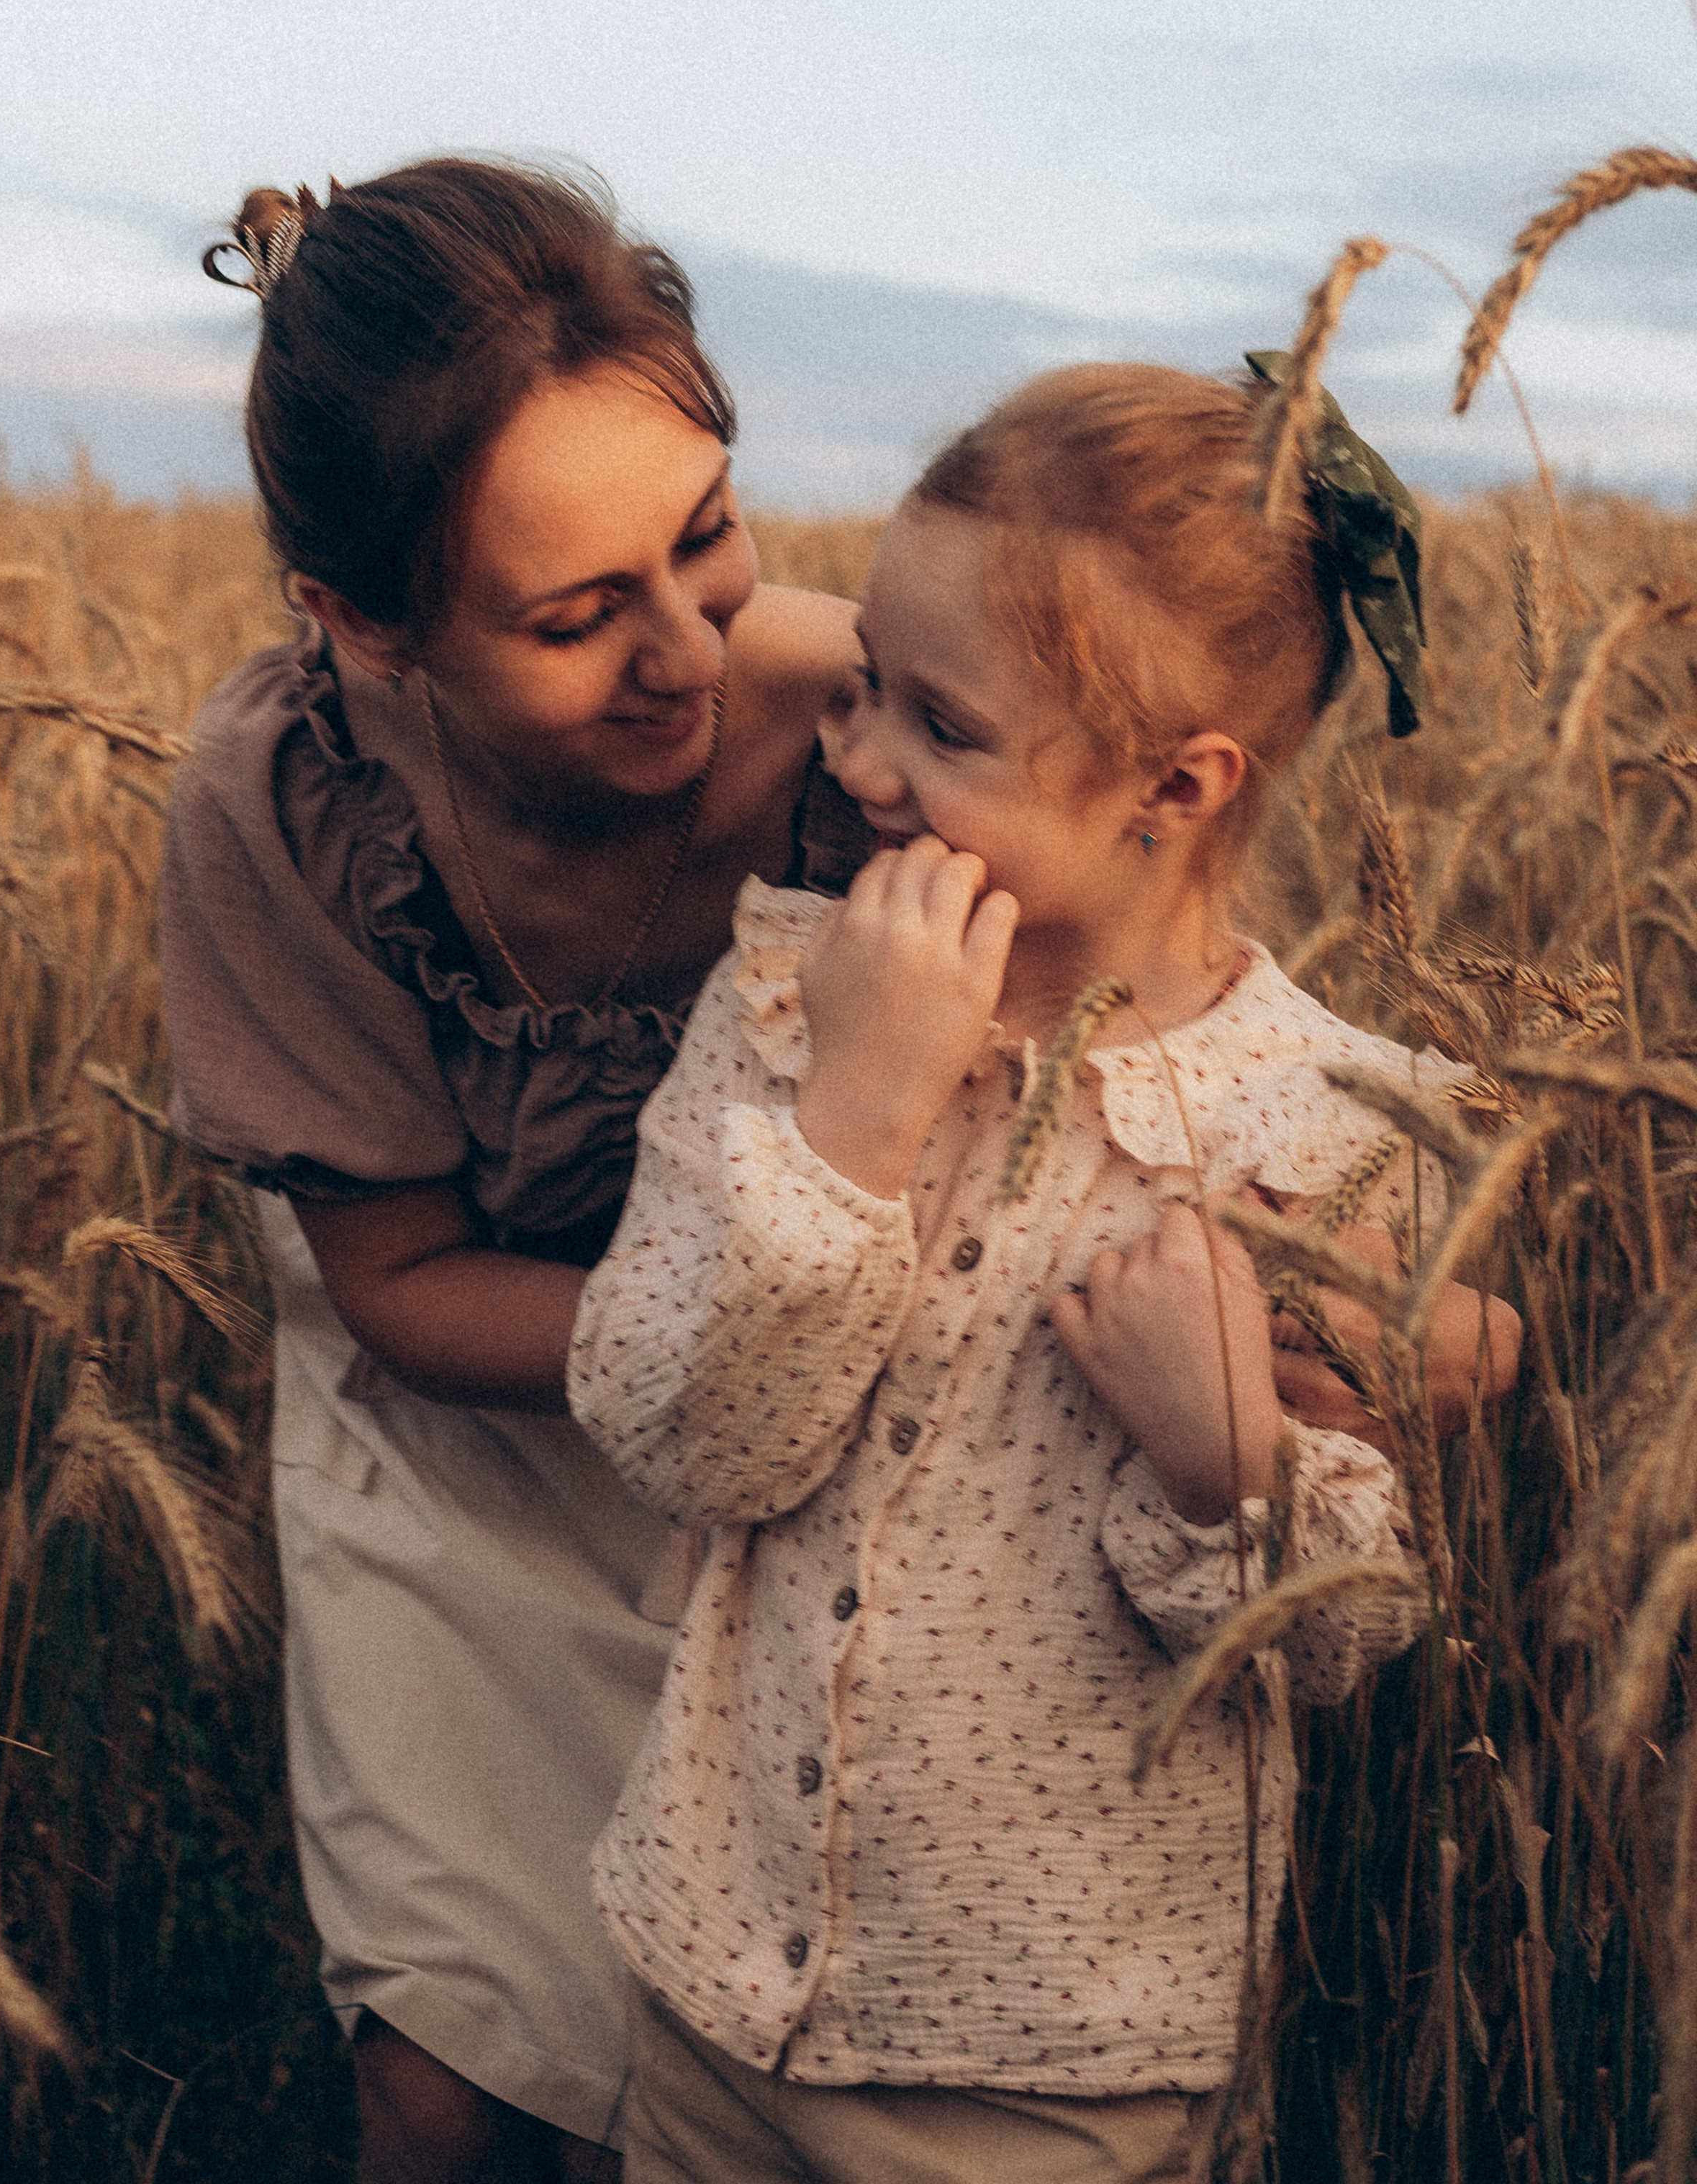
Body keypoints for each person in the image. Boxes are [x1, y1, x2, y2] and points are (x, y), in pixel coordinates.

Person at [163, 176, 1510, 2184]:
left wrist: (1365, 1356)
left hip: (867, 1561)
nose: (692, 649)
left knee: (697, 2023)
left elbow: (1348, 1488)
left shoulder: (879, 723)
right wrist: (875, 1291)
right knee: (448, 2074)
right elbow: (465, 1307)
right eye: (568, 613)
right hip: (475, 1419)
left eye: (704, 537)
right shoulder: (288, 809)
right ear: (364, 625)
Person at [567, 360, 1521, 2184]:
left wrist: (1221, 1458)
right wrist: (852, 1116)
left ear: (1175, 784)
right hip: (704, 1991)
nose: (854, 764)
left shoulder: (1330, 1132)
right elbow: (666, 1432)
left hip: (1045, 2069)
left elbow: (1333, 1641)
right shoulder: (793, 998)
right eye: (859, 693)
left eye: (940, 726)